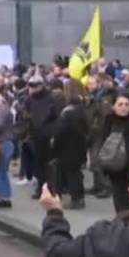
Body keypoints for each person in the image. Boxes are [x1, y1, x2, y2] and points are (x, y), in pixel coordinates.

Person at [100, 93, 129, 213]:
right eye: (120, 104)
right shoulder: (109, 120)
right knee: (118, 197)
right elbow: (103, 142)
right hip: (114, 167)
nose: (124, 107)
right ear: (114, 107)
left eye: (127, 104)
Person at [52, 82, 89, 210]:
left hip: (67, 149)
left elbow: (60, 132)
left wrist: (55, 146)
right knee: (76, 174)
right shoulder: (82, 110)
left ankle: (76, 200)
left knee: (71, 175)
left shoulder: (66, 113)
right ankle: (79, 198)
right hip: (79, 147)